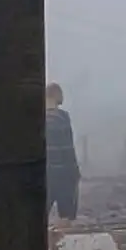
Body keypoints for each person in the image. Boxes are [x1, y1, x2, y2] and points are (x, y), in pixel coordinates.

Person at [46, 82, 80, 223]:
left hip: (43, 175)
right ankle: (60, 243)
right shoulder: (62, 118)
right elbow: (67, 148)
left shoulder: (33, 119)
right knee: (66, 217)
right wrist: (75, 173)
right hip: (63, 175)